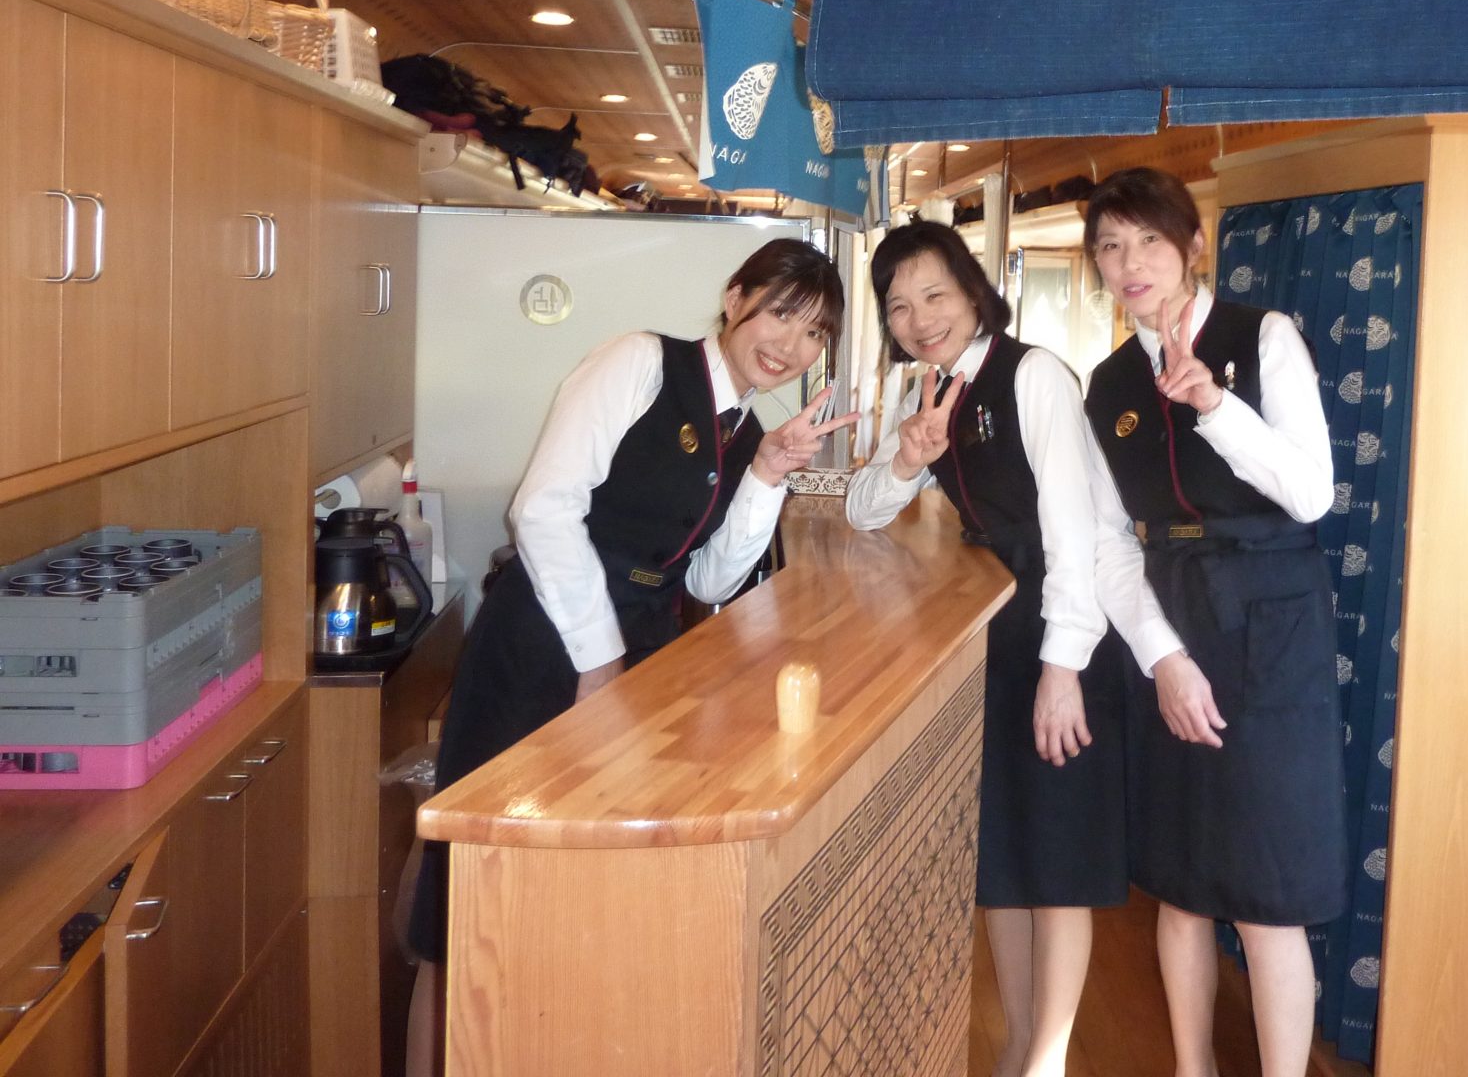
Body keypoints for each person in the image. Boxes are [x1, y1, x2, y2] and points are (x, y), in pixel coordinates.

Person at [405, 238, 855, 1071]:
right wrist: (599, 659)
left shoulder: (746, 431)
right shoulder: (640, 363)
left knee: (576, 899)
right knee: (471, 901)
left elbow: (710, 577)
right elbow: (542, 508)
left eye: (814, 332)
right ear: (735, 298)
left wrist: (767, 473)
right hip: (542, 644)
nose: (791, 345)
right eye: (782, 314)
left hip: (637, 658)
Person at [845, 219, 1204, 1077]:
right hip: (997, 635)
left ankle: (1046, 1057)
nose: (920, 319)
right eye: (899, 307)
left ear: (975, 293)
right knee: (1002, 857)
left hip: (1062, 630)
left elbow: (1075, 531)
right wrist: (906, 460)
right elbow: (862, 509)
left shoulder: (1033, 374)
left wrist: (1062, 669)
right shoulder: (928, 391)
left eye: (935, 295)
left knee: (1058, 859)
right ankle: (1015, 1042)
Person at [1081, 168, 1344, 1077]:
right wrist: (1163, 659)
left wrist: (1214, 407)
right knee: (1182, 885)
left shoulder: (1261, 338)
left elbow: (1312, 494)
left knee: (1269, 892)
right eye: (1110, 246)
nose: (1130, 263)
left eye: (1149, 240)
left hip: (1274, 618)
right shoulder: (1108, 385)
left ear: (1194, 246)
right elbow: (1109, 544)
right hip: (1172, 616)